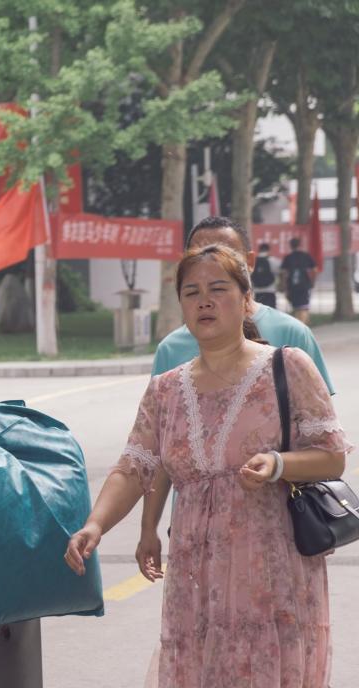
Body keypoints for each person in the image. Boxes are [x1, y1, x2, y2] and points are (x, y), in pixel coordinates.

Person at [65, 244, 352, 687]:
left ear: (245, 299)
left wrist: (278, 464)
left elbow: (332, 457)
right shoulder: (165, 390)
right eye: (192, 292)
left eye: (218, 289)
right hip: (195, 579)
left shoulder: (288, 366)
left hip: (271, 572)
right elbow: (134, 466)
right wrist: (95, 524)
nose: (204, 301)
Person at [140, 216, 333, 581]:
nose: (211, 261)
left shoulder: (293, 340)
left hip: (278, 532)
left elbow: (324, 445)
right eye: (200, 253)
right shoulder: (171, 353)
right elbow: (157, 452)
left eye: (225, 254)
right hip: (195, 526)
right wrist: (148, 526)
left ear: (248, 264)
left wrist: (278, 465)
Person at [281, 236, 318, 324]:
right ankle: (303, 324)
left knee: (296, 307)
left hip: (292, 285)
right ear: (299, 245)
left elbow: (284, 273)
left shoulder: (288, 257)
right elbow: (315, 270)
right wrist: (313, 281)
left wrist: (284, 286)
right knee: (304, 306)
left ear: (290, 246)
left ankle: (299, 324)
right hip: (305, 284)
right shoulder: (306, 256)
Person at [250, 241, 278, 309]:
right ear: (268, 250)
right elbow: (279, 271)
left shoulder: (254, 261)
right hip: (270, 291)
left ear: (259, 250)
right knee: (271, 312)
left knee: (260, 312)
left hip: (257, 291)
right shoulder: (272, 260)